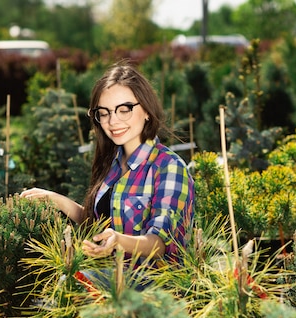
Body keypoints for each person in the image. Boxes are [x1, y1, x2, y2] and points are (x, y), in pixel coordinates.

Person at [21, 62, 194, 277]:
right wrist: (56, 200)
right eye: (104, 113)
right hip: (112, 278)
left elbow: (161, 243)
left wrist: (119, 241)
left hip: (155, 290)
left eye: (124, 109)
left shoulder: (168, 167)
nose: (113, 121)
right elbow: (99, 223)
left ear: (147, 111)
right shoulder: (113, 164)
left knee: (73, 285)